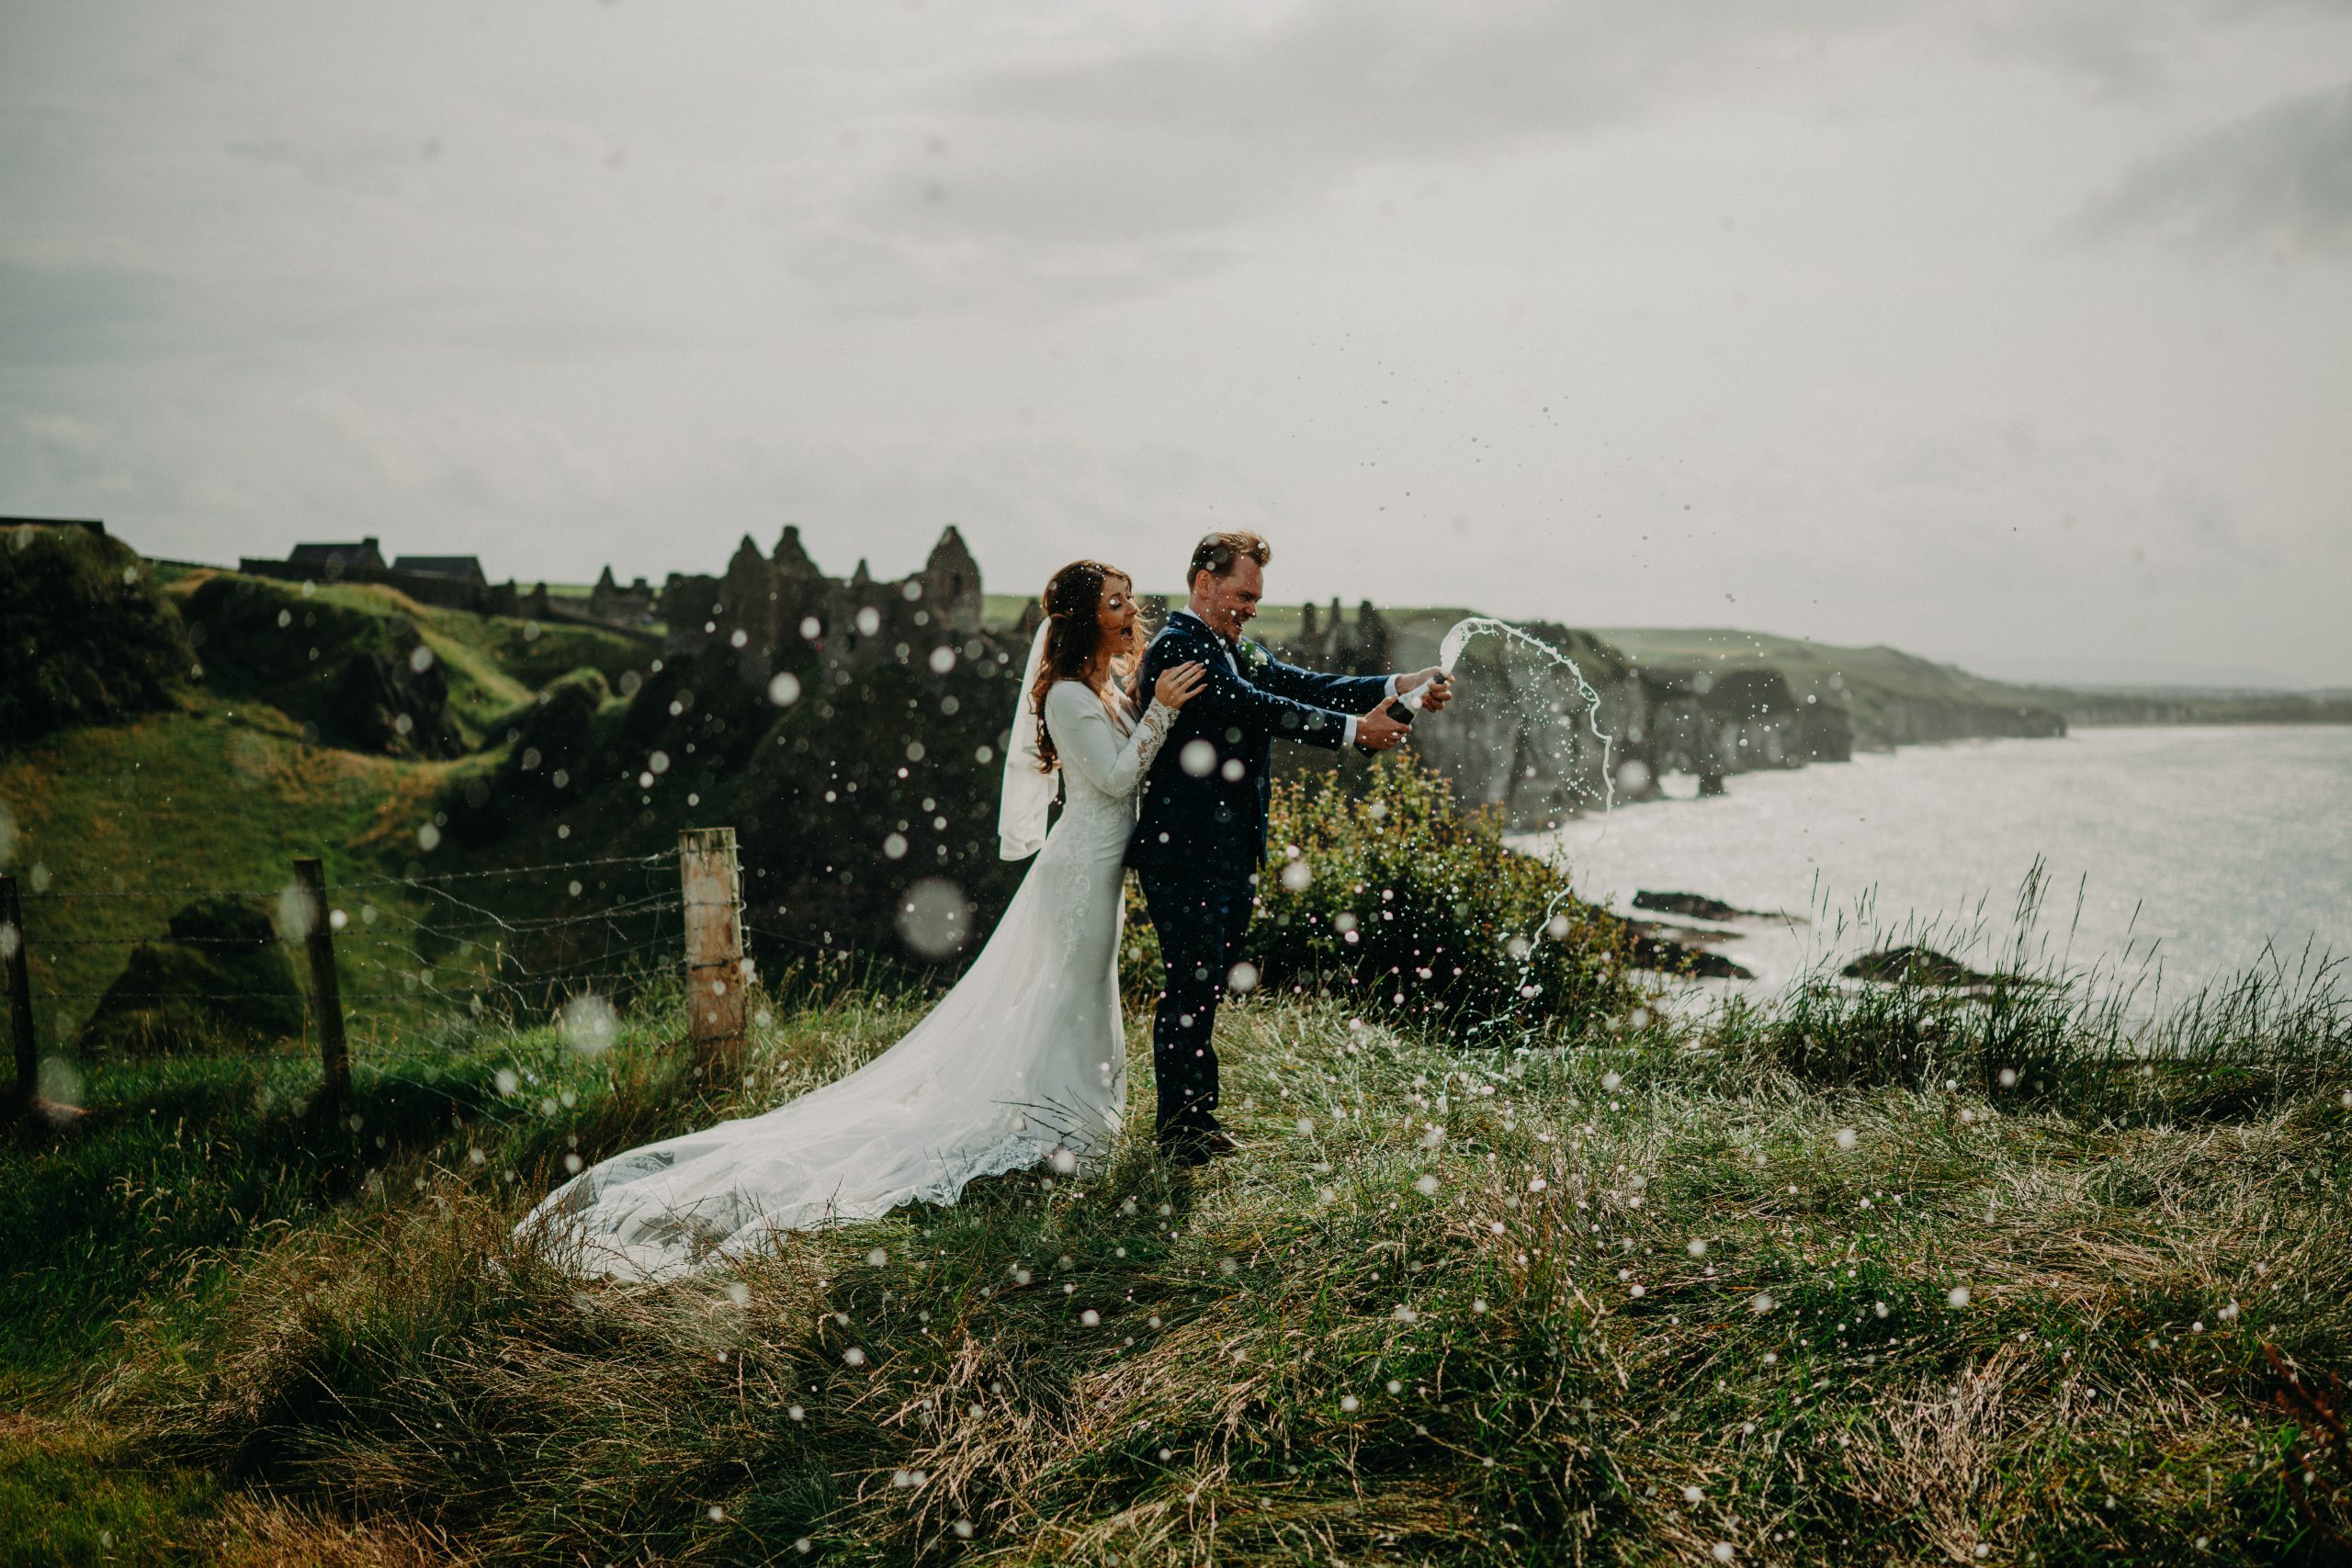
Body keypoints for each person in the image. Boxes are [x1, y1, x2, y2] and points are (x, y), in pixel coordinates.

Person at [520, 560, 1205, 1280]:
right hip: (1079, 873)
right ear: (1081, 618)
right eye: (1115, 601)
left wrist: (1150, 703)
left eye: (1128, 597)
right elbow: (1120, 776)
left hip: (1098, 868)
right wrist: (1159, 709)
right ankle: (1071, 1130)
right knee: (1072, 995)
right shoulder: (1067, 693)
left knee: (1080, 994)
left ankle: (1073, 1122)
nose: (1131, 609)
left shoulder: (1100, 684)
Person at [1129, 531, 1452, 1165]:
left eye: (1256, 597)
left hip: (1225, 851)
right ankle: (1180, 1131)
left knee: (1206, 986)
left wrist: (1400, 681)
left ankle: (1195, 1119)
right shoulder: (1179, 647)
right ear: (1204, 583)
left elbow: (1306, 685)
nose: (1251, 607)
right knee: (1190, 988)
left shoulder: (1230, 647)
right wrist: (1356, 730)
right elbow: (1249, 705)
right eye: (1242, 594)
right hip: (1185, 852)